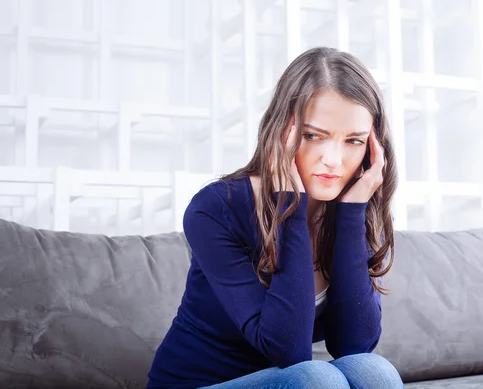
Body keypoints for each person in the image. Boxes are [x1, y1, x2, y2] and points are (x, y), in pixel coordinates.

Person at [147, 47, 403, 388]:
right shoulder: (215, 208)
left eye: (353, 141)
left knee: (375, 372)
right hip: (198, 384)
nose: (333, 159)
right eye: (313, 136)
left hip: (292, 380)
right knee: (317, 380)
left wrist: (351, 213)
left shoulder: (356, 209)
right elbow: (289, 350)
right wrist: (291, 208)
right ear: (282, 130)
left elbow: (354, 346)